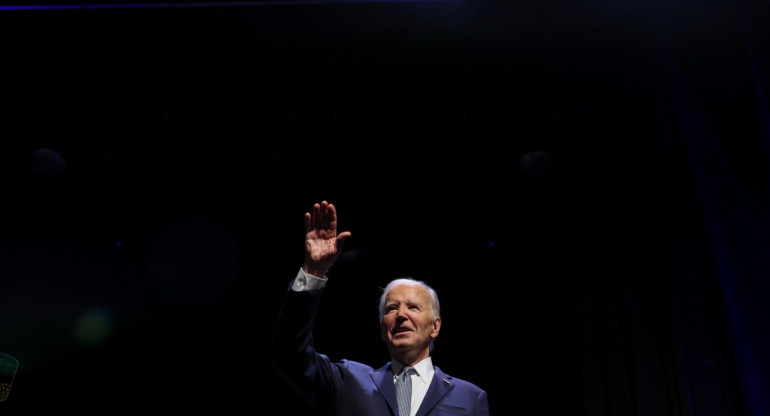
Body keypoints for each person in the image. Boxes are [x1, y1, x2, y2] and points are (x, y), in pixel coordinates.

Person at [270, 200, 490, 416]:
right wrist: (314, 271)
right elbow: (289, 353)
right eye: (391, 308)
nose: (401, 315)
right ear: (382, 328)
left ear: (435, 326)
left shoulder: (470, 398)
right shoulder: (347, 382)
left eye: (413, 307)